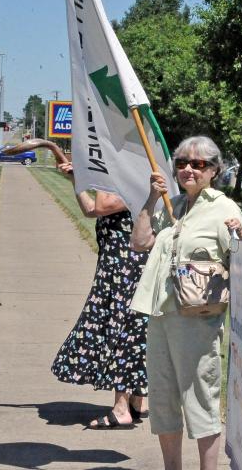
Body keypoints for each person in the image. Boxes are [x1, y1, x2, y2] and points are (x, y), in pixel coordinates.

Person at [130, 135, 242, 470]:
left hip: (197, 322)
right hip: (161, 315)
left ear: (214, 170)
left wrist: (239, 236)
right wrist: (152, 198)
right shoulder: (173, 205)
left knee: (200, 401)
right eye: (182, 163)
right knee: (163, 401)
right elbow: (140, 243)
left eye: (198, 164)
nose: (188, 170)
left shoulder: (224, 209)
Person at [50, 161, 149, 429]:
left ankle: (121, 409)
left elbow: (103, 206)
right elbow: (91, 209)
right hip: (113, 265)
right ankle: (137, 401)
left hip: (127, 266)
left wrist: (99, 169)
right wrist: (76, 180)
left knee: (124, 329)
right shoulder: (125, 179)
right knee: (127, 328)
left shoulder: (135, 179)